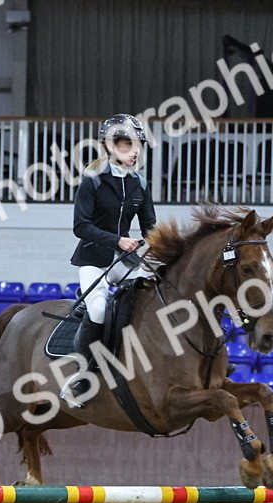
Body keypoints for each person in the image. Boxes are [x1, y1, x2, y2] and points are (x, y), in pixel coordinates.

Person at [61, 113, 158, 407]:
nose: (136, 150)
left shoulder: (139, 183)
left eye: (138, 144)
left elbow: (150, 226)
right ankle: (84, 375)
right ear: (111, 146)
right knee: (100, 309)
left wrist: (160, 250)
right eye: (128, 144)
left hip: (124, 260)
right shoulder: (93, 180)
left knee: (155, 292)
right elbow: (81, 226)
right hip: (94, 258)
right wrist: (116, 240)